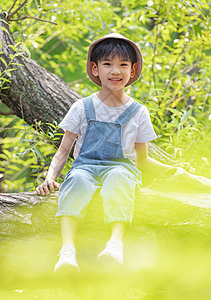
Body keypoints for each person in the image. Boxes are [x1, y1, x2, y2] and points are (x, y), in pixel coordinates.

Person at [35, 33, 175, 272]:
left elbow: (143, 160)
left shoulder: (138, 112)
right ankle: (67, 251)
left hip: (122, 169)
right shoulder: (82, 107)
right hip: (84, 168)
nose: (115, 71)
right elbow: (63, 151)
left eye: (122, 65)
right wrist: (50, 178)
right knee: (77, 178)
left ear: (132, 71)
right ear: (95, 68)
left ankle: (115, 244)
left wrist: (175, 171)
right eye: (108, 64)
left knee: (119, 176)